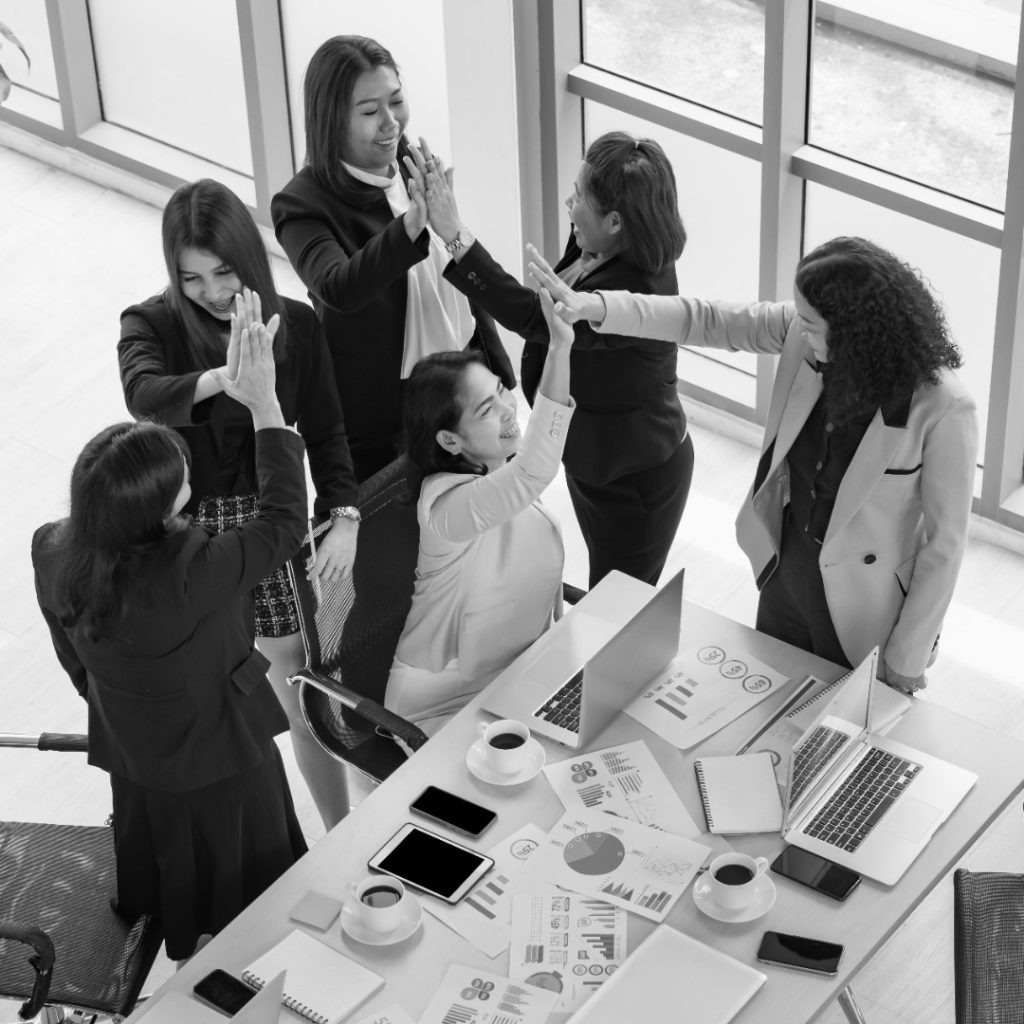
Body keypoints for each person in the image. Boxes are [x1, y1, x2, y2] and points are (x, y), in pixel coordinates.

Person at [530, 236, 977, 692]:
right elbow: (701, 318)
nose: (799, 327)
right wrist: (595, 306)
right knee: (772, 707)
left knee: (845, 736)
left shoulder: (943, 406)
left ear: (857, 328)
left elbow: (945, 547)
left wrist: (908, 655)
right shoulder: (803, 335)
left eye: (811, 322)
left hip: (865, 603)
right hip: (785, 568)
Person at [33, 321, 308, 962]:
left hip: (137, 767)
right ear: (159, 511)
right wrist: (266, 405)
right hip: (227, 765)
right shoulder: (194, 574)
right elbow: (286, 520)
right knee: (259, 913)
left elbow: (69, 652)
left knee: (174, 898)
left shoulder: (52, 548)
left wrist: (119, 697)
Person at [118, 179, 356, 830]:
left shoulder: (298, 324)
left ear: (248, 258)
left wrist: (344, 517)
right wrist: (233, 379)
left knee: (300, 698)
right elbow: (143, 393)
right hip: (187, 539)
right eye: (191, 278)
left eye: (224, 272)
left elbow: (328, 434)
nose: (213, 292)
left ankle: (338, 834)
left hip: (272, 525)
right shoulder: (151, 323)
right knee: (213, 713)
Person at [415, 130, 690, 588]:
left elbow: (536, 318)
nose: (569, 202)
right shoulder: (602, 240)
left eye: (579, 196)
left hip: (634, 478)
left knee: (618, 602)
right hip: (593, 454)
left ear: (618, 220)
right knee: (608, 585)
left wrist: (455, 235)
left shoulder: (637, 292)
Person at [271, 34, 515, 482]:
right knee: (415, 538)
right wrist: (409, 228)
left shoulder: (411, 161)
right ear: (331, 122)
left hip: (469, 381)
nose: (391, 123)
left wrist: (496, 376)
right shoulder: (301, 204)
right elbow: (338, 287)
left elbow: (453, 268)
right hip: (390, 414)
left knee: (496, 515)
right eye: (369, 112)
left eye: (396, 101)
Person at [384, 288, 575, 732]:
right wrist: (560, 348)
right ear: (450, 441)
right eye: (488, 409)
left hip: (516, 676)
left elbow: (527, 470)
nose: (509, 410)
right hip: (441, 705)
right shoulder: (445, 508)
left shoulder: (498, 469)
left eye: (501, 392)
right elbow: (534, 471)